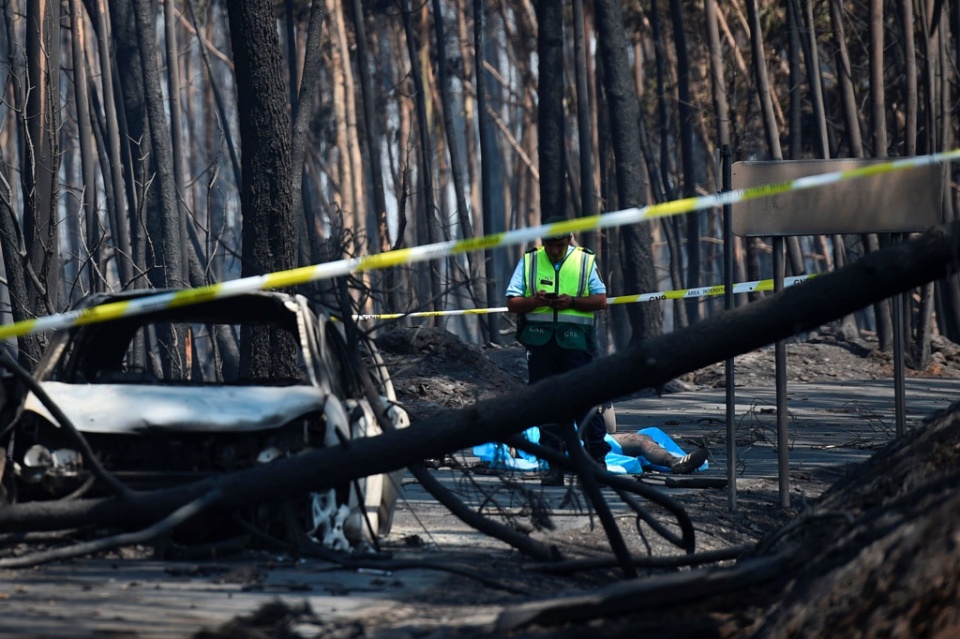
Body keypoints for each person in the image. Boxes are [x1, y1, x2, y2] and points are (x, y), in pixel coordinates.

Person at [505, 216, 611, 486]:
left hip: (576, 344)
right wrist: (533, 301)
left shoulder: (585, 260)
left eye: (560, 245)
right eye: (550, 245)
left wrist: (572, 301)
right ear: (542, 241)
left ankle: (596, 460)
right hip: (541, 345)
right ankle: (554, 464)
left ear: (568, 240)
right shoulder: (529, 261)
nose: (555, 250)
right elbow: (513, 302)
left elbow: (600, 300)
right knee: (546, 405)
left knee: (584, 401)